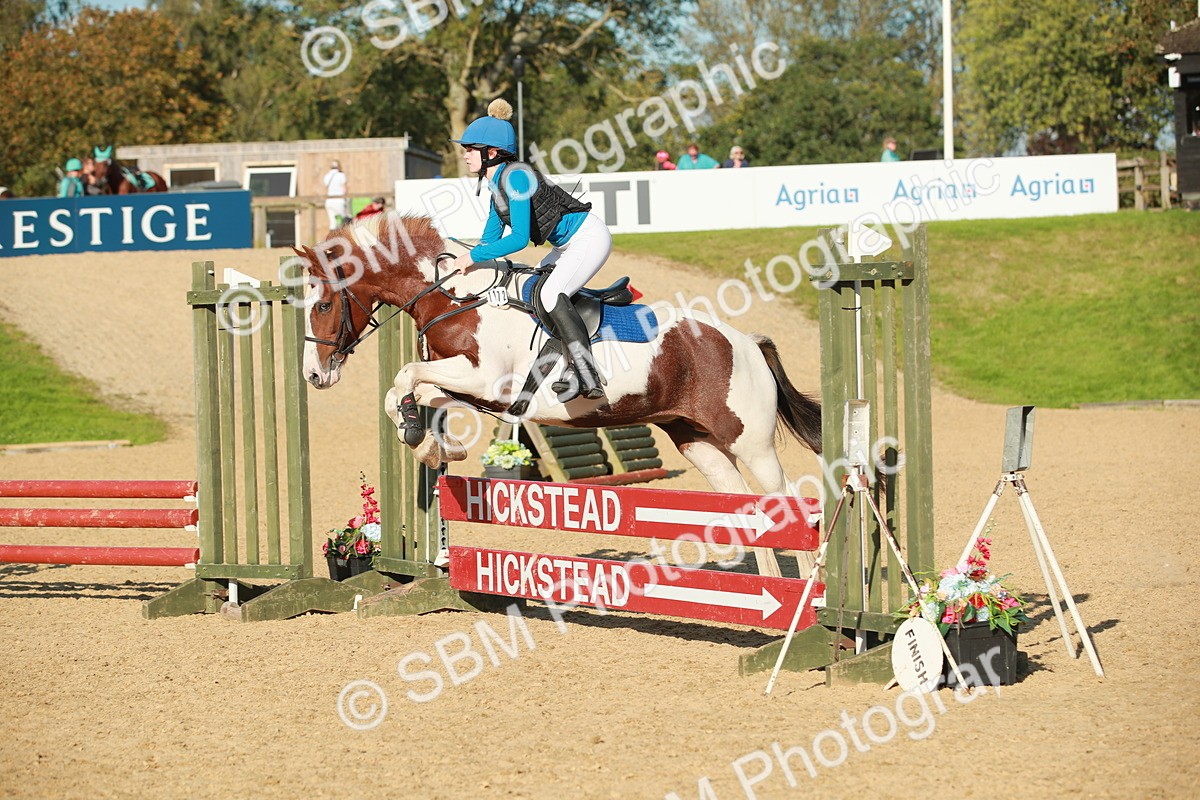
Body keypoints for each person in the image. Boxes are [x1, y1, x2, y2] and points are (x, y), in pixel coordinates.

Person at [451, 98, 609, 403]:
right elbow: (488, 241)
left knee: (550, 294)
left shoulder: (516, 177)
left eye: (470, 149)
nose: (465, 154)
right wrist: (460, 255)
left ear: (491, 153)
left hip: (589, 238)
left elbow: (519, 239)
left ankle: (587, 372)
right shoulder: (496, 186)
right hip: (567, 246)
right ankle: (564, 361)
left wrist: (472, 257)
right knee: (532, 287)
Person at [322, 160, 349, 229]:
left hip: (329, 201)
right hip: (339, 201)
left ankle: (332, 235)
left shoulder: (326, 176)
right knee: (344, 221)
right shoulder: (341, 175)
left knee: (332, 223)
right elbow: (344, 189)